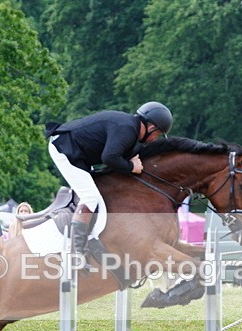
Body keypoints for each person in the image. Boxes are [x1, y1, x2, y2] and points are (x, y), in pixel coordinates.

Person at [46, 101, 173, 254]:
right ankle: (75, 251)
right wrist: (132, 167)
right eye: (157, 135)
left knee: (99, 194)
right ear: (151, 128)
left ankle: (89, 239)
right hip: (64, 149)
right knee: (90, 197)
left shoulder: (130, 129)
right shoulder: (127, 129)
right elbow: (109, 158)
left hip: (77, 152)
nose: (155, 139)